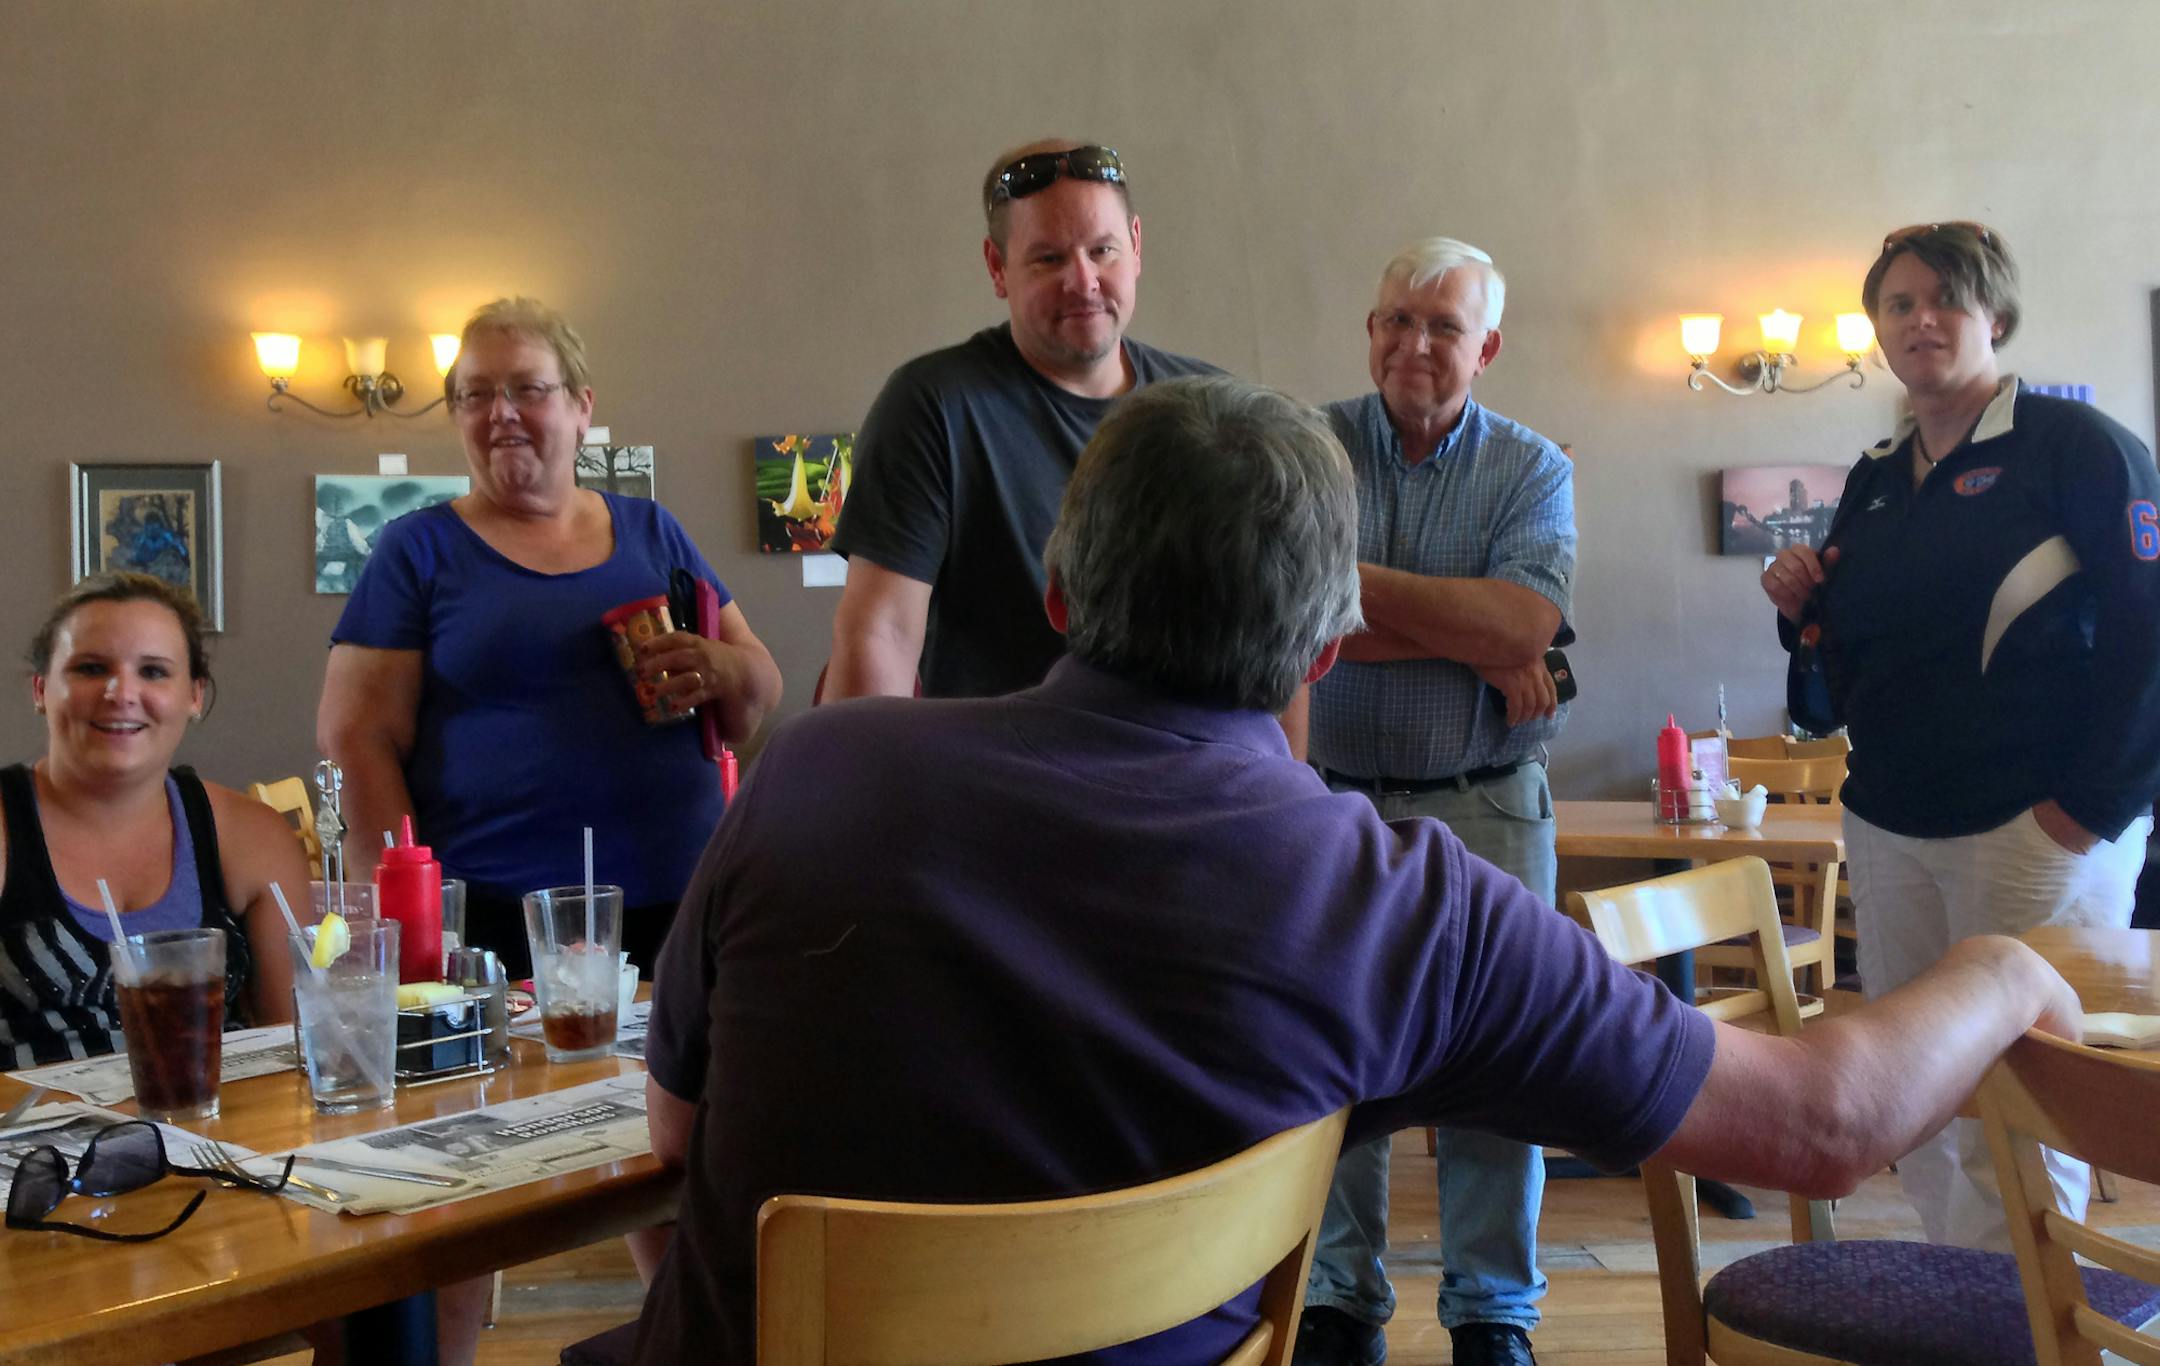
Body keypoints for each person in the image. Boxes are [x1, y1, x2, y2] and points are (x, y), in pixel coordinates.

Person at [632, 375, 2082, 1365]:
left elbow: (676, 1143)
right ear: (1327, 646)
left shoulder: (816, 768)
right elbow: (1825, 1126)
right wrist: (2003, 966)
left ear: (1062, 595)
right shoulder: (1409, 909)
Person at [1761, 221, 2160, 1250]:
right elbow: (1848, 649)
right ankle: (1957, 1301)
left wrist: (2085, 813)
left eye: (1946, 298)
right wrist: (1801, 604)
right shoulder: (1876, 473)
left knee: (2022, 1105)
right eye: (1899, 304)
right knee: (1919, 1101)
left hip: (2033, 831)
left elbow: (2151, 631)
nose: (1922, 319)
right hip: (1889, 824)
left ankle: (2037, 1320)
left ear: (1997, 318)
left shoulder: (2080, 447)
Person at [317, 297, 782, 978]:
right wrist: (405, 922)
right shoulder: (415, 550)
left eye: (527, 389)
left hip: (682, 894)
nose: (501, 412)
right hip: (497, 917)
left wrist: (722, 667)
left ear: (581, 406)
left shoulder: (653, 530)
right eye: (475, 394)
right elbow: (357, 739)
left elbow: (759, 686)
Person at [1300, 239, 1575, 1366]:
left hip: (1487, 805)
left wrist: (1350, 594)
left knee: (1500, 1057)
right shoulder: (1308, 447)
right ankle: (1337, 1297)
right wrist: (1471, 632)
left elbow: (1527, 625)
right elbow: (1292, 609)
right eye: (1397, 320)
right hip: (1328, 805)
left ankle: (1493, 1310)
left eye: (1443, 327)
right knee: (1331, 1055)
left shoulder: (1532, 467)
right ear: (1371, 331)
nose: (1415, 344)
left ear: (1486, 347)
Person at [824, 138, 1218, 701]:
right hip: (997, 756)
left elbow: (1281, 636)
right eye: (1049, 258)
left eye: (1102, 250)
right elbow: (879, 634)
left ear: (1135, 246)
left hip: (1189, 755)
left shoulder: (1214, 409)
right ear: (997, 267)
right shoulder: (935, 406)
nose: (1083, 281)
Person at [2, 573, 301, 1068]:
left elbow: (293, 1050)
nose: (121, 692)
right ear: (40, 689)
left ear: (194, 695)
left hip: (213, 1115)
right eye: (91, 668)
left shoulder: (252, 838)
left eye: (154, 671)